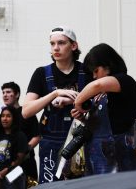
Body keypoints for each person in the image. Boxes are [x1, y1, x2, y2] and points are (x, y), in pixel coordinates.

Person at [22, 26, 87, 183]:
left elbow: (98, 99)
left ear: (73, 46)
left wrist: (72, 100)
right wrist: (54, 94)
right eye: (52, 44)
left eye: (61, 43)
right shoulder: (41, 73)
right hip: (51, 139)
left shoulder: (86, 70)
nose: (55, 48)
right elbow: (26, 111)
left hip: (81, 138)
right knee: (50, 185)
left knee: (82, 185)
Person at [71, 43, 136, 175]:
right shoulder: (102, 93)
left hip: (117, 155)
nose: (94, 76)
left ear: (108, 66)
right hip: (95, 154)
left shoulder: (125, 81)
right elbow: (101, 122)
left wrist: (78, 101)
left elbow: (96, 85)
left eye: (96, 71)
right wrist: (83, 117)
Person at [1, 81, 40, 183]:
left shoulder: (27, 112)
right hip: (8, 164)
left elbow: (37, 136)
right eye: (3, 92)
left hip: (26, 162)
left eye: (8, 92)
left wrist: (24, 151)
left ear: (17, 94)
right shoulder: (2, 116)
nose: (5, 95)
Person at [0, 106, 28, 189]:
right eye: (3, 116)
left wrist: (1, 174)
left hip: (14, 175)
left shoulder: (20, 136)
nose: (4, 119)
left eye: (8, 116)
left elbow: (19, 160)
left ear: (14, 118)